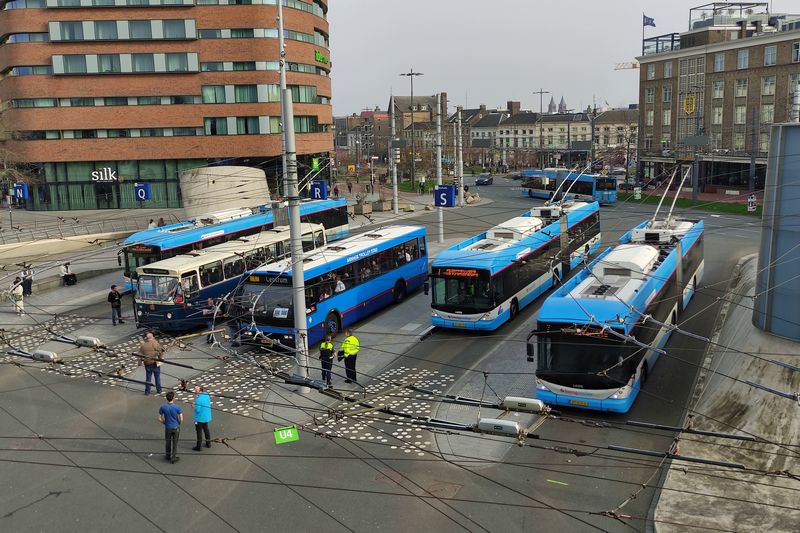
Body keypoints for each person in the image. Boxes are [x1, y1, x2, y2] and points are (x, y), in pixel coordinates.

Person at [158, 391, 183, 463]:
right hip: (176, 427)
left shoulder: (163, 407)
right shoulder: (177, 407)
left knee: (168, 442)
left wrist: (164, 423)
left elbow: (159, 418)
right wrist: (179, 424)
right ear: (173, 398)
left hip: (168, 427)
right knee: (175, 443)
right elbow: (181, 419)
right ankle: (174, 457)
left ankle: (168, 455)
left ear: (166, 398)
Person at [192, 386, 212, 451]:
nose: (195, 392)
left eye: (196, 390)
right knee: (206, 429)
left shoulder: (198, 399)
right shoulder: (206, 395)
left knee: (199, 432)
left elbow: (197, 410)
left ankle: (198, 447)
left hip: (199, 418)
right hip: (206, 416)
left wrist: (193, 406)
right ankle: (208, 443)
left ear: (199, 390)